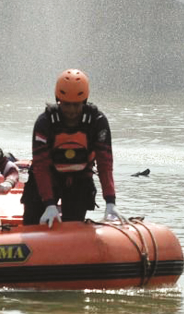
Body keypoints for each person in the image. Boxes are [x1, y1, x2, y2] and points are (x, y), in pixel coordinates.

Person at [21, 69, 120, 227]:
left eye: (76, 105)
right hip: (47, 178)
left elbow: (105, 164)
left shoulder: (97, 122)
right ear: (58, 100)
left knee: (73, 226)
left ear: (85, 101)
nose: (71, 111)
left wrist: (110, 201)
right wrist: (49, 203)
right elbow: (41, 166)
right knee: (32, 223)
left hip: (79, 180)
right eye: (66, 104)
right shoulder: (45, 122)